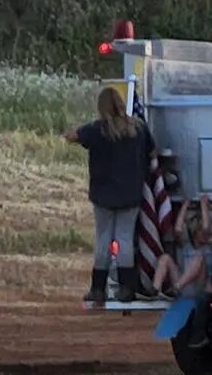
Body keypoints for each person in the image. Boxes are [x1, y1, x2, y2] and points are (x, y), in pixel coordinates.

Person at [64, 87, 157, 303]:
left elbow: (73, 137)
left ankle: (98, 289)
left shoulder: (97, 129)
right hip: (131, 192)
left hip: (103, 193)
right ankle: (127, 289)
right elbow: (152, 152)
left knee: (103, 239)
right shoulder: (139, 128)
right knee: (124, 239)